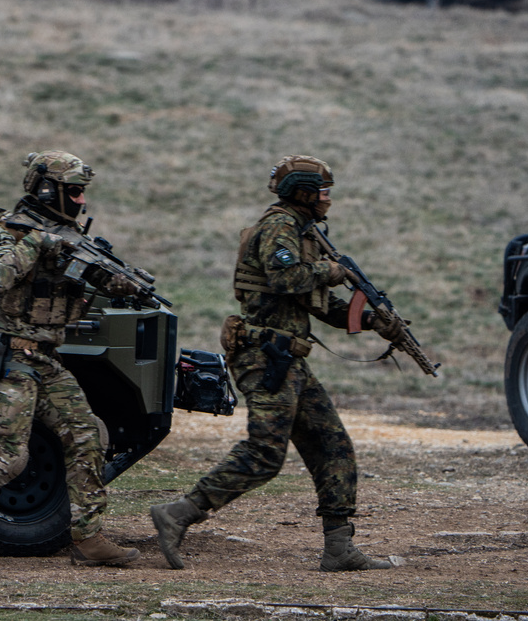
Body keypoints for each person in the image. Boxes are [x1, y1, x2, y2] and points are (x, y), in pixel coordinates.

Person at [150, 155, 405, 573]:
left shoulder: (304, 234)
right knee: (265, 454)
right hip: (264, 355)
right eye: (322, 191)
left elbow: (320, 305)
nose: (327, 199)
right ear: (300, 192)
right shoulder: (279, 227)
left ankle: (339, 547)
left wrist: (376, 320)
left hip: (289, 358)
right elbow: (287, 278)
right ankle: (178, 513)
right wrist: (332, 270)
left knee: (332, 446)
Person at [0, 151, 142, 569]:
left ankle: (87, 538)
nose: (80, 202)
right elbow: (0, 275)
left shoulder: (69, 237)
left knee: (86, 435)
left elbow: (96, 279)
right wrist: (41, 241)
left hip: (43, 358)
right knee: (10, 455)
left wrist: (120, 281)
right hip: (7, 355)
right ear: (46, 190)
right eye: (73, 192)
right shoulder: (9, 231)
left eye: (81, 194)